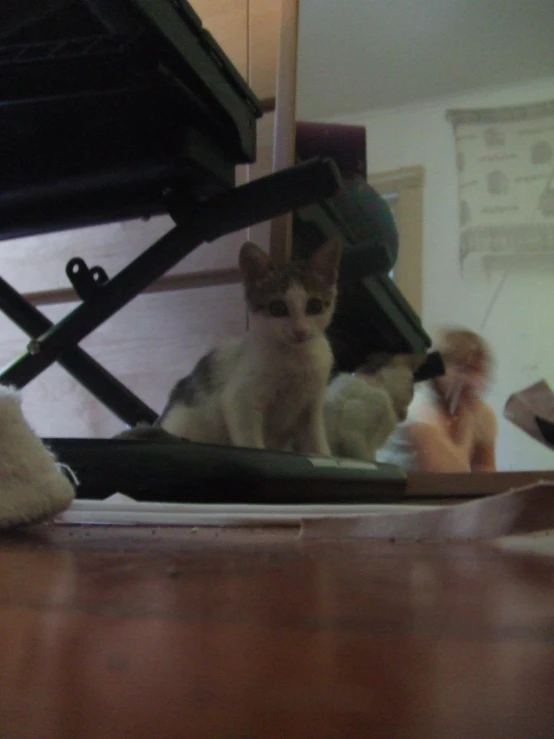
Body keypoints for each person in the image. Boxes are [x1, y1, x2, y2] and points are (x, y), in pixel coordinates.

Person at [377, 327, 497, 472]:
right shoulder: (417, 410)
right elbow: (446, 479)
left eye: (478, 371)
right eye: (463, 369)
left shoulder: (480, 413)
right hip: (395, 493)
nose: (473, 381)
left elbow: (486, 477)